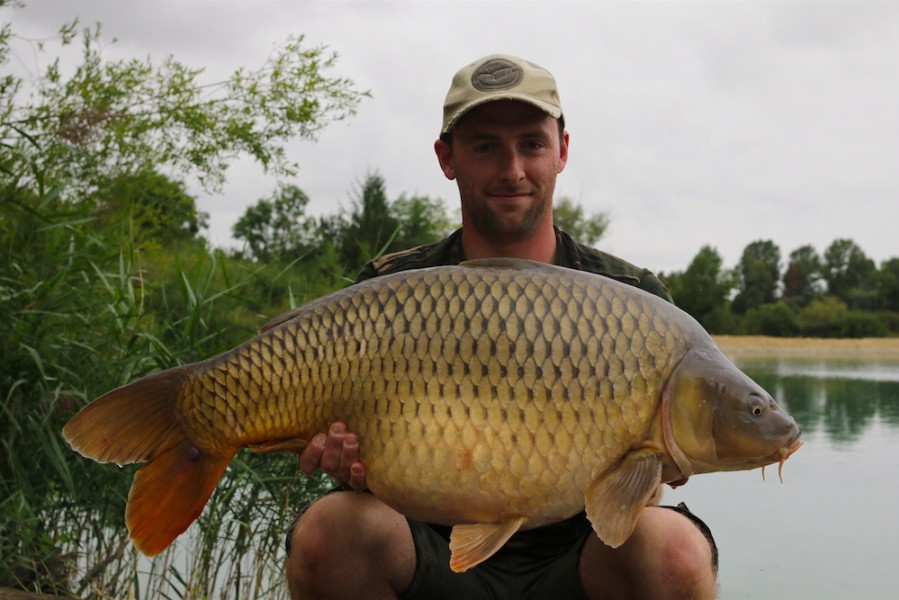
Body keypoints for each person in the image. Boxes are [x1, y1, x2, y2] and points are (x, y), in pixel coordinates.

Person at [285, 54, 718, 600]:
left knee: (675, 549)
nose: (512, 169)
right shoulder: (392, 286)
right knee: (331, 530)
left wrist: (657, 470)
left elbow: (638, 500)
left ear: (562, 151)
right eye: (486, 145)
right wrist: (343, 461)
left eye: (531, 144)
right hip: (424, 548)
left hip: (581, 559)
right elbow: (348, 455)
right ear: (447, 158)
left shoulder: (633, 299)